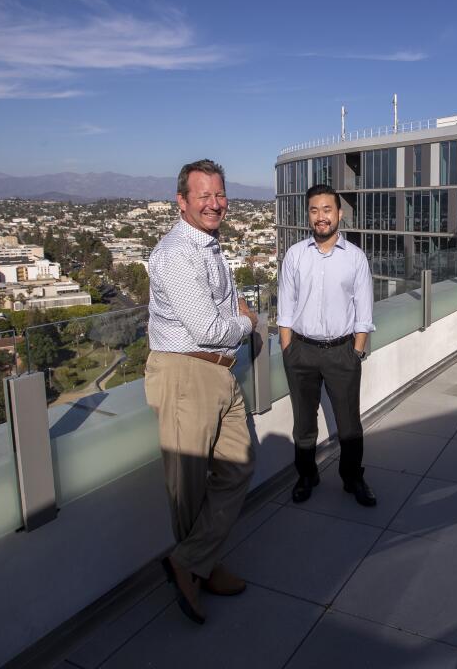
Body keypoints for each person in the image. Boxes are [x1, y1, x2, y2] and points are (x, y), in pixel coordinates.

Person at [144, 159, 257, 624]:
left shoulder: (209, 245)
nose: (214, 204)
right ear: (182, 202)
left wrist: (236, 319)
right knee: (188, 488)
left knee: (239, 465)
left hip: (217, 373)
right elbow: (209, 326)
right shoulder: (177, 252)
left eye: (219, 194)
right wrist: (248, 322)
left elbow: (217, 316)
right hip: (186, 373)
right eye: (203, 196)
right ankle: (197, 571)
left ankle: (189, 561)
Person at [278, 183, 377, 507]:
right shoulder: (295, 255)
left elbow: (364, 311)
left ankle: (353, 478)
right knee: (303, 424)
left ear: (339, 214)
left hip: (342, 352)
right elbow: (286, 307)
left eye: (327, 210)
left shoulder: (355, 259)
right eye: (314, 210)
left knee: (349, 425)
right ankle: (307, 475)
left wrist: (357, 351)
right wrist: (288, 348)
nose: (321, 217)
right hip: (301, 352)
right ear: (308, 214)